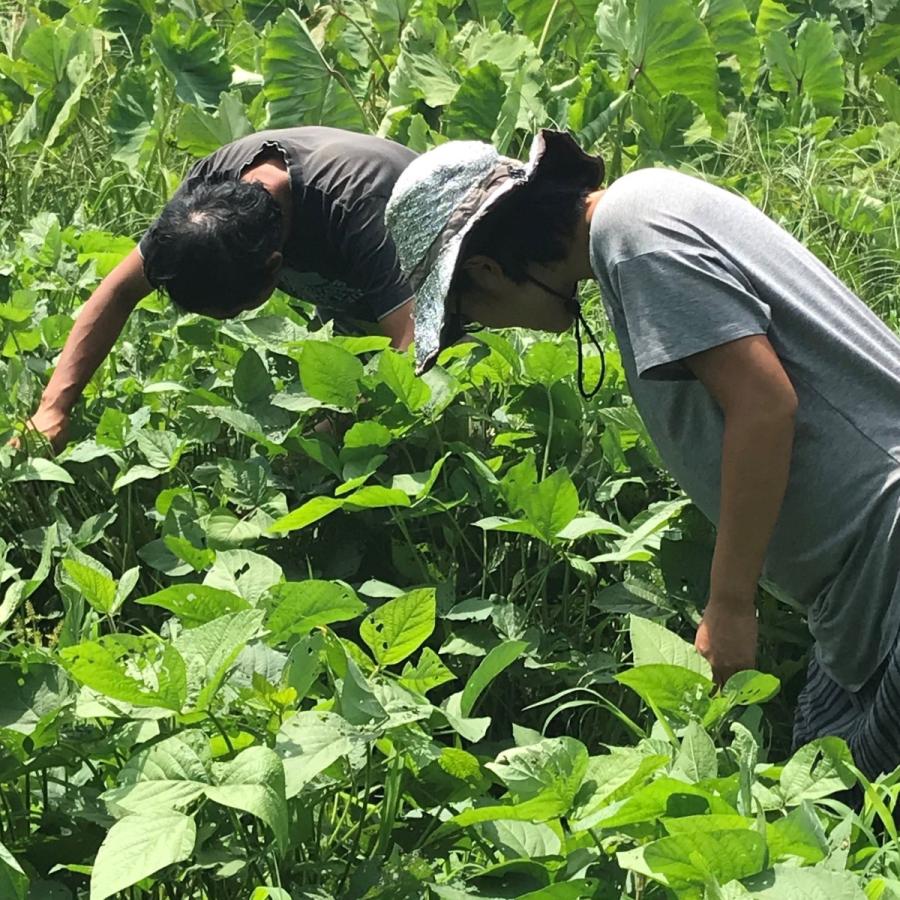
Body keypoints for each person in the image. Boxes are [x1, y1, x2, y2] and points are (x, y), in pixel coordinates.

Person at [384, 129, 900, 778]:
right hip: (859, 595)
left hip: (887, 549)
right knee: (832, 816)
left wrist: (730, 603)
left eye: (470, 313)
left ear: (486, 271)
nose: (494, 326)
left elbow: (764, 404)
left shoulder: (634, 237)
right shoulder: (632, 230)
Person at [23, 126, 417, 450]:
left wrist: (333, 431)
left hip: (457, 290)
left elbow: (415, 353)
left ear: (275, 266)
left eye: (234, 311)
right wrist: (53, 409)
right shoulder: (202, 206)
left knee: (416, 436)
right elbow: (119, 292)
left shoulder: (357, 209)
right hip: (355, 312)